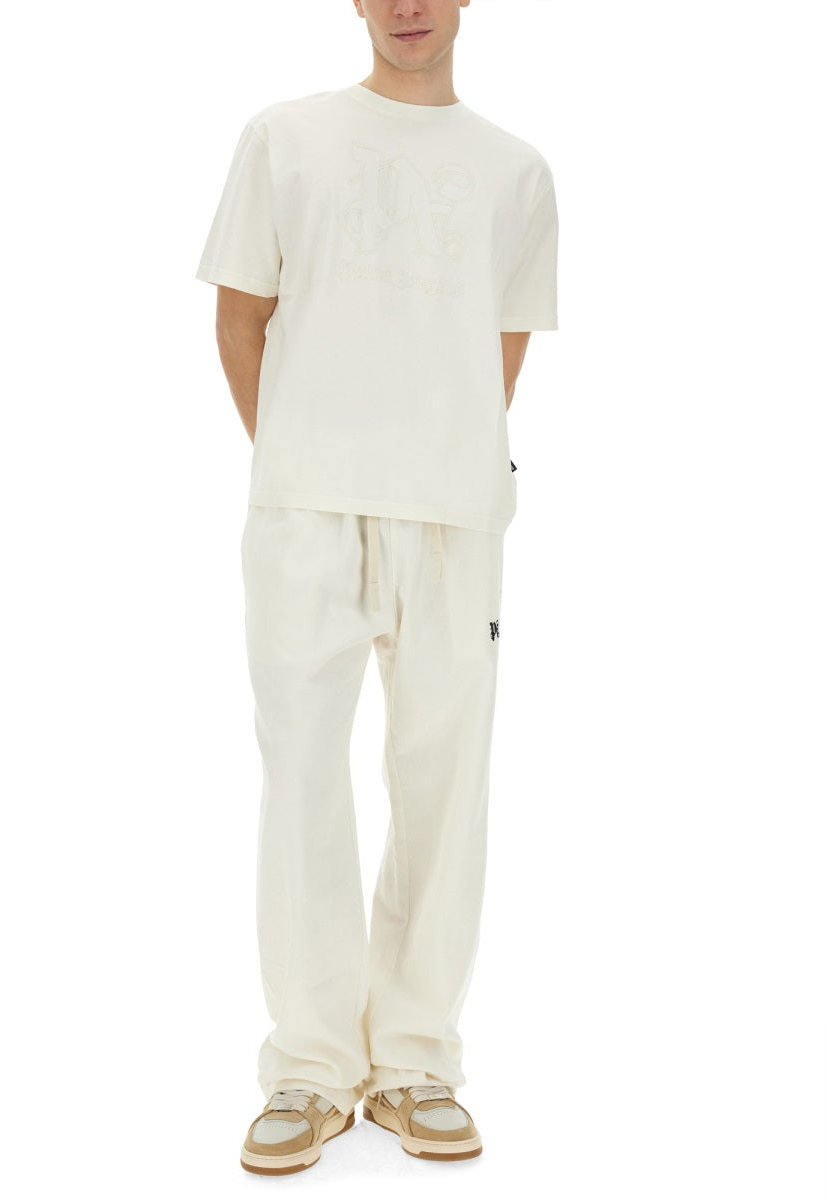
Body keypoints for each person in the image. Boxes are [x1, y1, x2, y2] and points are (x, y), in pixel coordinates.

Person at [195, 0, 558, 1176]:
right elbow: (240, 315)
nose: (409, 7)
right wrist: (298, 457)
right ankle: (308, 1071)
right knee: (303, 775)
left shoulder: (516, 171)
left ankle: (414, 1063)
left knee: (444, 783)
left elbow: (501, 350)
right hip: (306, 506)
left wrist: (436, 452)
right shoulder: (284, 137)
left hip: (454, 512)